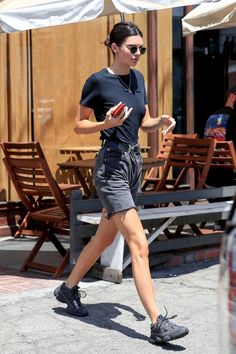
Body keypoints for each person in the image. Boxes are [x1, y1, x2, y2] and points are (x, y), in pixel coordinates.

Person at [54, 21, 189, 345]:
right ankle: (158, 324)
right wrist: (106, 122)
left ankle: (67, 289)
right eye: (133, 48)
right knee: (139, 243)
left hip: (133, 165)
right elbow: (78, 125)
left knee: (102, 239)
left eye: (142, 48)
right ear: (114, 47)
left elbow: (143, 121)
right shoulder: (98, 81)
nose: (138, 53)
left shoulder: (138, 78)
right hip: (111, 166)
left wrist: (162, 121)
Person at [204, 85, 236, 186]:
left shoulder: (211, 117)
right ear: (232, 97)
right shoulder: (234, 117)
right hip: (229, 178)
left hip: (210, 176)